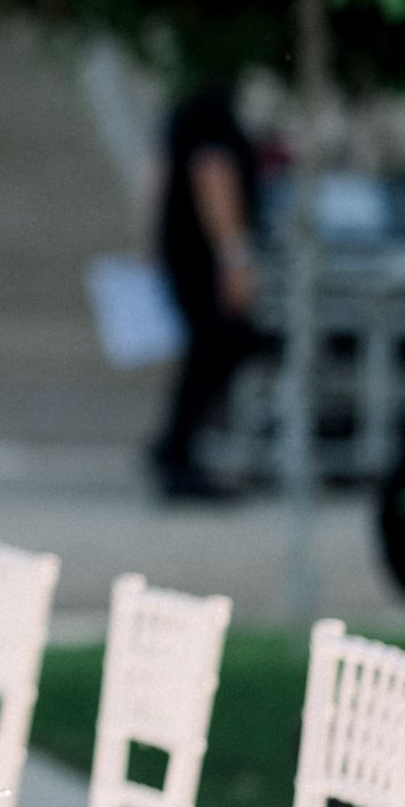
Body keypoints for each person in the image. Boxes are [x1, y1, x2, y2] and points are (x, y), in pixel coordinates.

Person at [149, 83, 264, 500]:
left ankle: (175, 447)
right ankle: (178, 450)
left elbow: (159, 175)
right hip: (203, 259)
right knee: (213, 350)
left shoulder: (186, 106)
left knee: (207, 352)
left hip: (183, 251)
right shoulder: (211, 106)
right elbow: (212, 174)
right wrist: (234, 257)